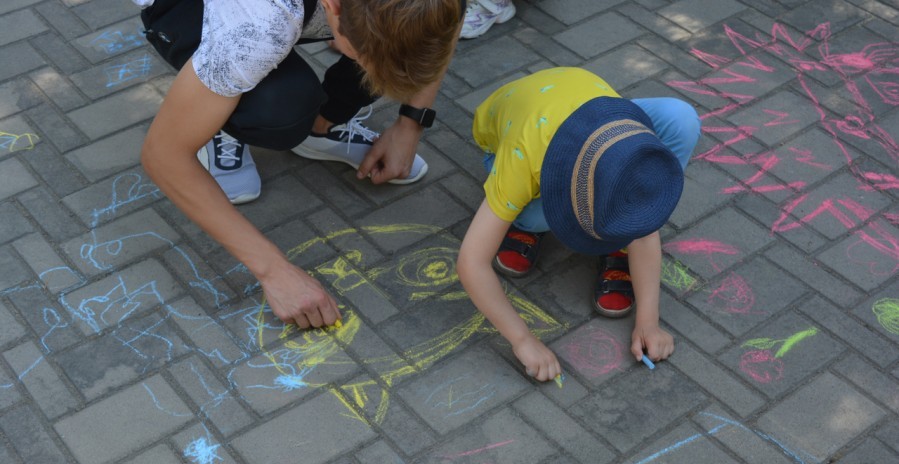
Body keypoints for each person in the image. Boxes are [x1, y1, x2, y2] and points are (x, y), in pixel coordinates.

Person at [136, 0, 462, 328]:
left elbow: (452, 12)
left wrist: (410, 125)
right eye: (361, 57)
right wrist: (274, 271)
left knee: (390, 51)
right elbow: (163, 155)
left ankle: (321, 127)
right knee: (279, 106)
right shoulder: (255, 29)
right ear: (334, 8)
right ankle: (214, 116)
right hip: (189, 7)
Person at [456, 67, 701, 382]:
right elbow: (471, 262)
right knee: (533, 217)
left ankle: (616, 227)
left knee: (682, 120)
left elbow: (644, 232)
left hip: (586, 112)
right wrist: (523, 340)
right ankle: (528, 226)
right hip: (515, 133)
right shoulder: (524, 157)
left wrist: (648, 322)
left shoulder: (622, 139)